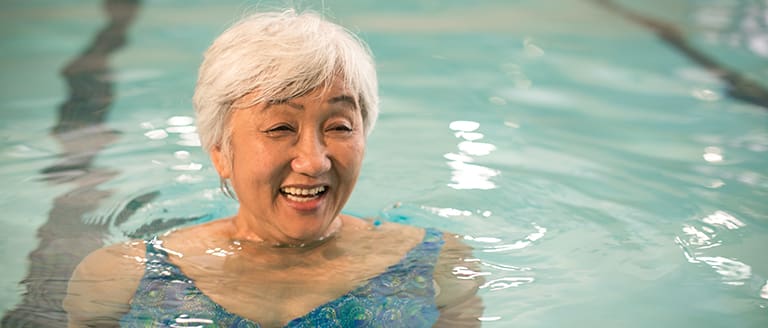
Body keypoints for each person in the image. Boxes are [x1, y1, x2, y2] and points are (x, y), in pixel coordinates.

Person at [64, 9, 483, 327]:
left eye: (339, 126)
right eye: (281, 127)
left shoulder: (435, 267)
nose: (314, 160)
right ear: (220, 151)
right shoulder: (120, 281)